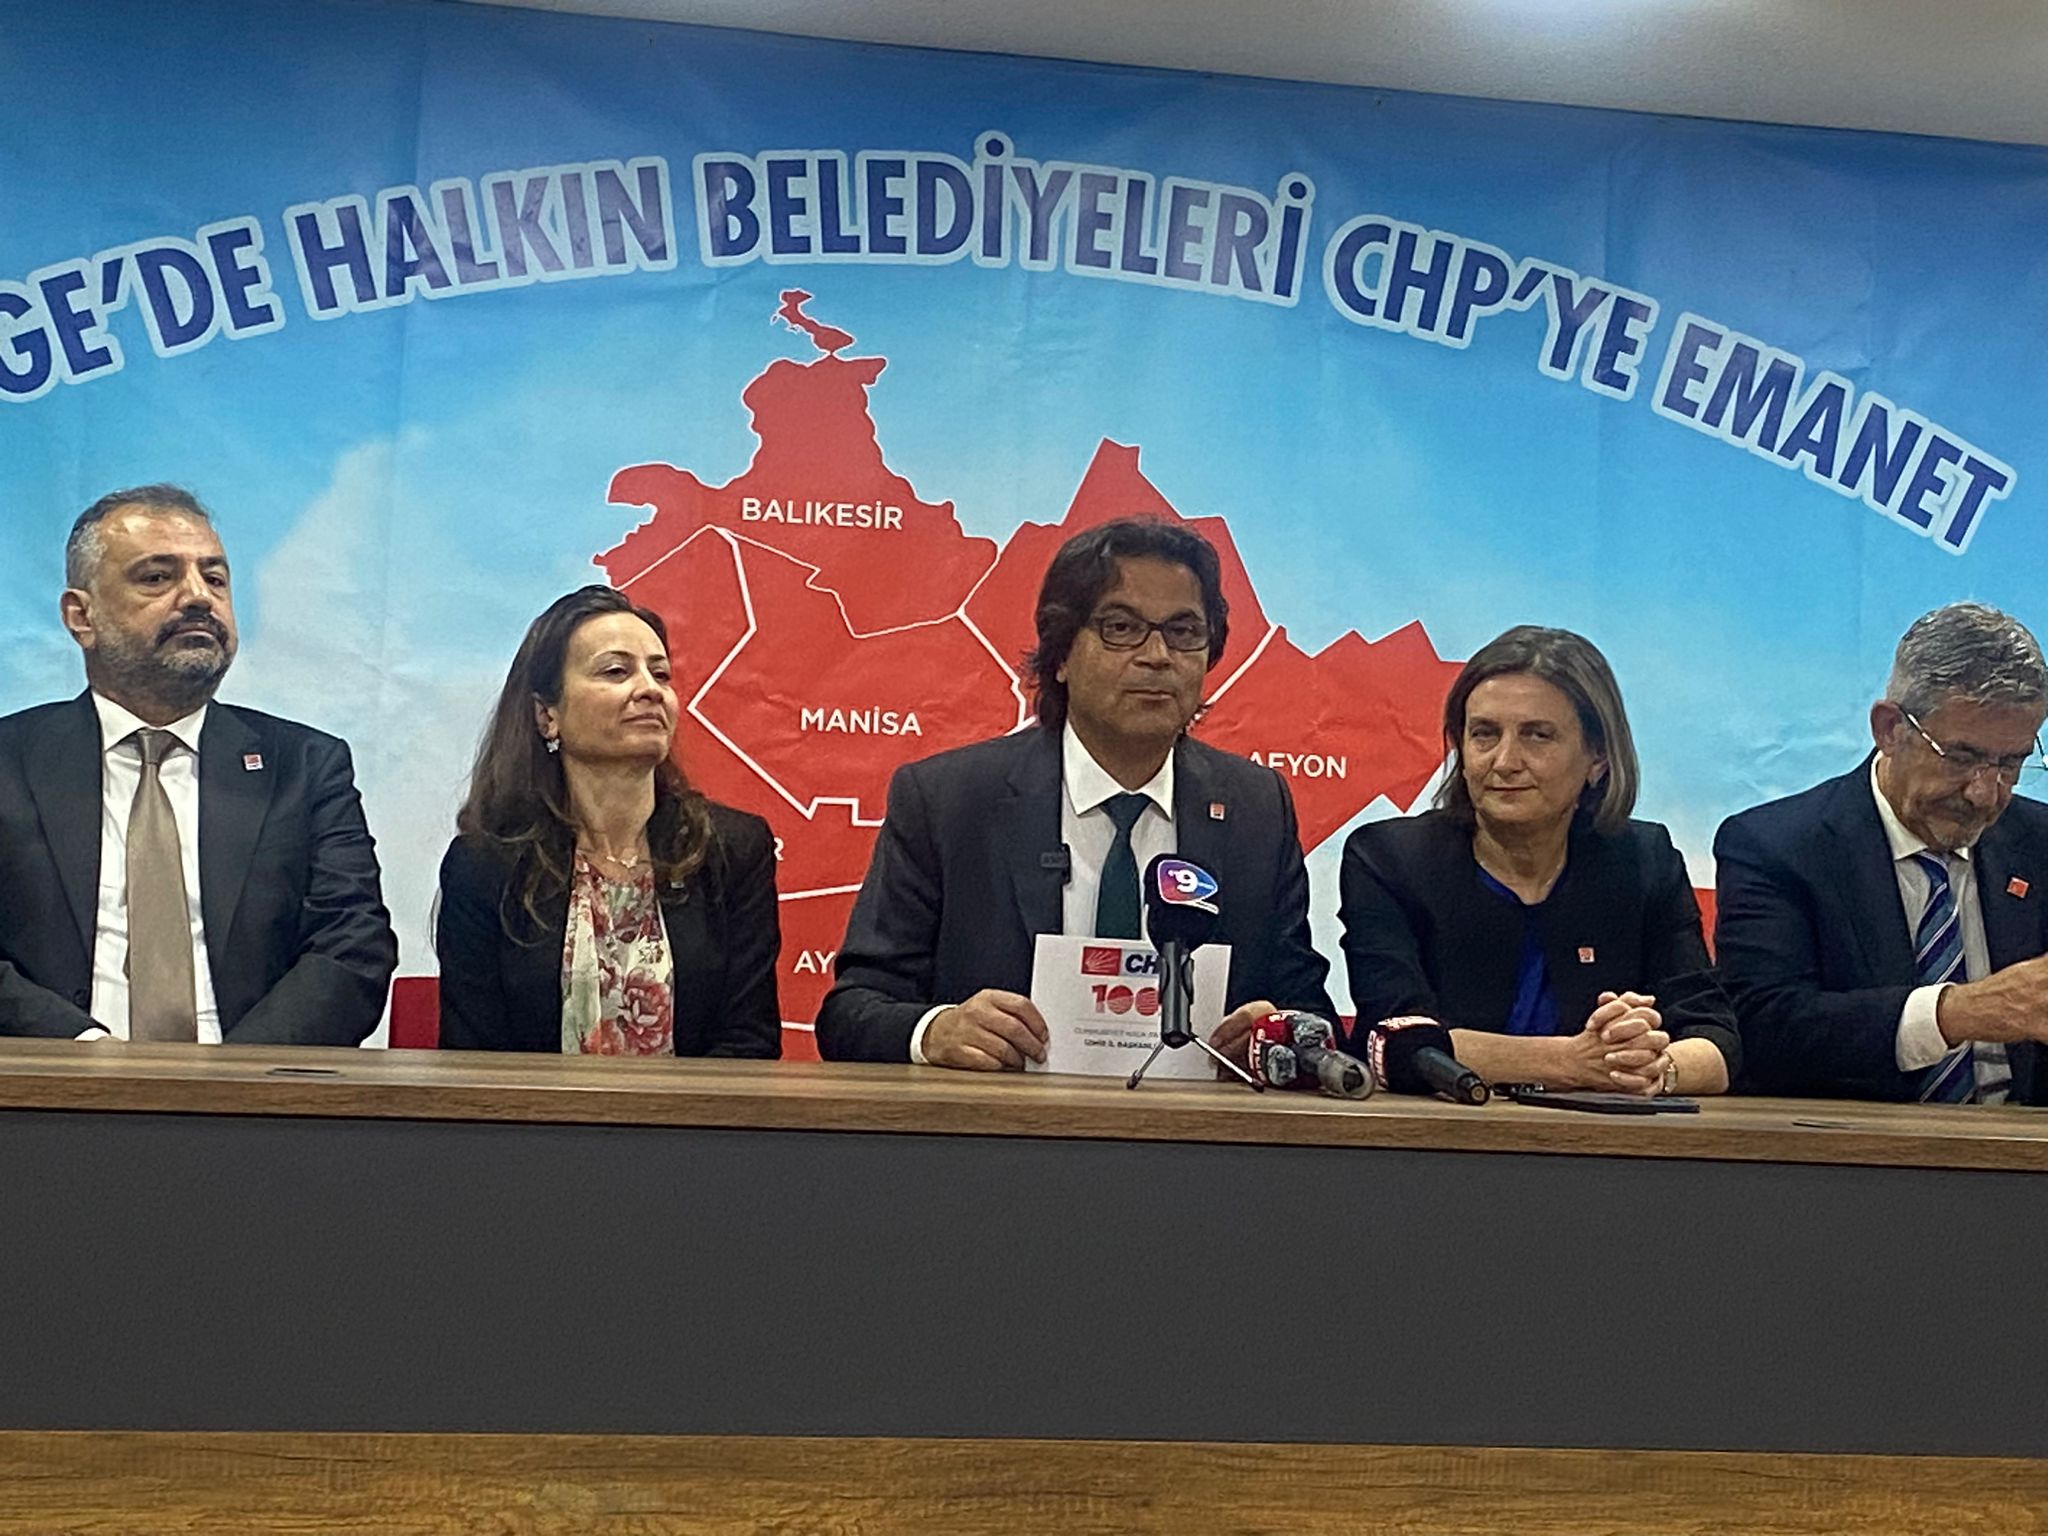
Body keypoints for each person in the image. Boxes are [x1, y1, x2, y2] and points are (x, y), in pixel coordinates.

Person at [816, 516, 1333, 1069]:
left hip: (1194, 1122)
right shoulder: (949, 801)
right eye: (1121, 627)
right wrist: (934, 1030)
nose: (1158, 655)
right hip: (1000, 1121)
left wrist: (1280, 1032)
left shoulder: (1257, 809)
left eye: (1183, 632)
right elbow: (851, 1013)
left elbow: (1308, 1010)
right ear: (1061, 654)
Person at [0, 484, 397, 1043]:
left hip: (251, 1081)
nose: (197, 597)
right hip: (50, 1080)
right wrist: (85, 1052)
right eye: (157, 577)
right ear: (81, 617)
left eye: (214, 579)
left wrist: (225, 1076)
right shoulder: (10, 762)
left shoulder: (305, 766)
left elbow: (352, 945)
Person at [1340, 626, 1738, 1096]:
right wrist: (1574, 1063)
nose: (1505, 761)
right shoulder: (1390, 860)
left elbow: (1717, 1041)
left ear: (1597, 757)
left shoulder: (1644, 860)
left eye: (1537, 736)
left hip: (1608, 1135)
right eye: (1484, 734)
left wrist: (1653, 1067)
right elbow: (1393, 1039)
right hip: (1440, 1129)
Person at [1714, 602, 2048, 1103]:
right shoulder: (1776, 847)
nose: (1985, 793)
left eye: (2011, 764)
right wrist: (1954, 1014)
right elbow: (1762, 1031)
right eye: (1962, 757)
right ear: (1890, 728)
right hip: (1854, 1144)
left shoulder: (2039, 843)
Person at [435, 585, 781, 1056]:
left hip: (699, 1107)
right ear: (547, 715)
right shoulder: (484, 864)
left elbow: (749, 1042)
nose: (650, 690)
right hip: (530, 1107)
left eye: (660, 674)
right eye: (616, 671)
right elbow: (474, 1059)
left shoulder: (732, 850)